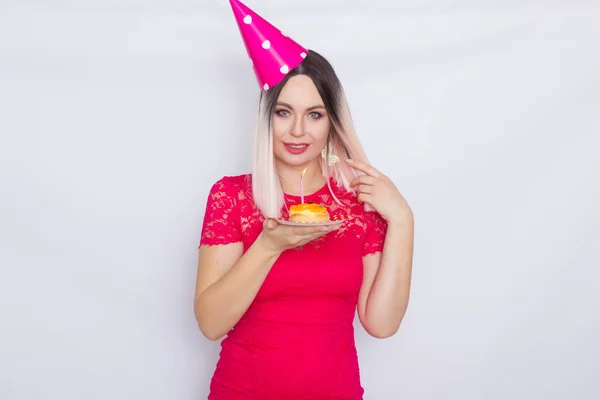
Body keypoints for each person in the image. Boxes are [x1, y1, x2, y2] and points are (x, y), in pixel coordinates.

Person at [194, 1, 414, 399]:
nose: (298, 130)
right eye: (283, 112)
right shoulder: (231, 197)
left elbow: (381, 324)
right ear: (266, 117)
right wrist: (269, 245)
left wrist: (402, 219)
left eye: (314, 115)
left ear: (333, 121)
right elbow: (210, 323)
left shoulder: (358, 205)